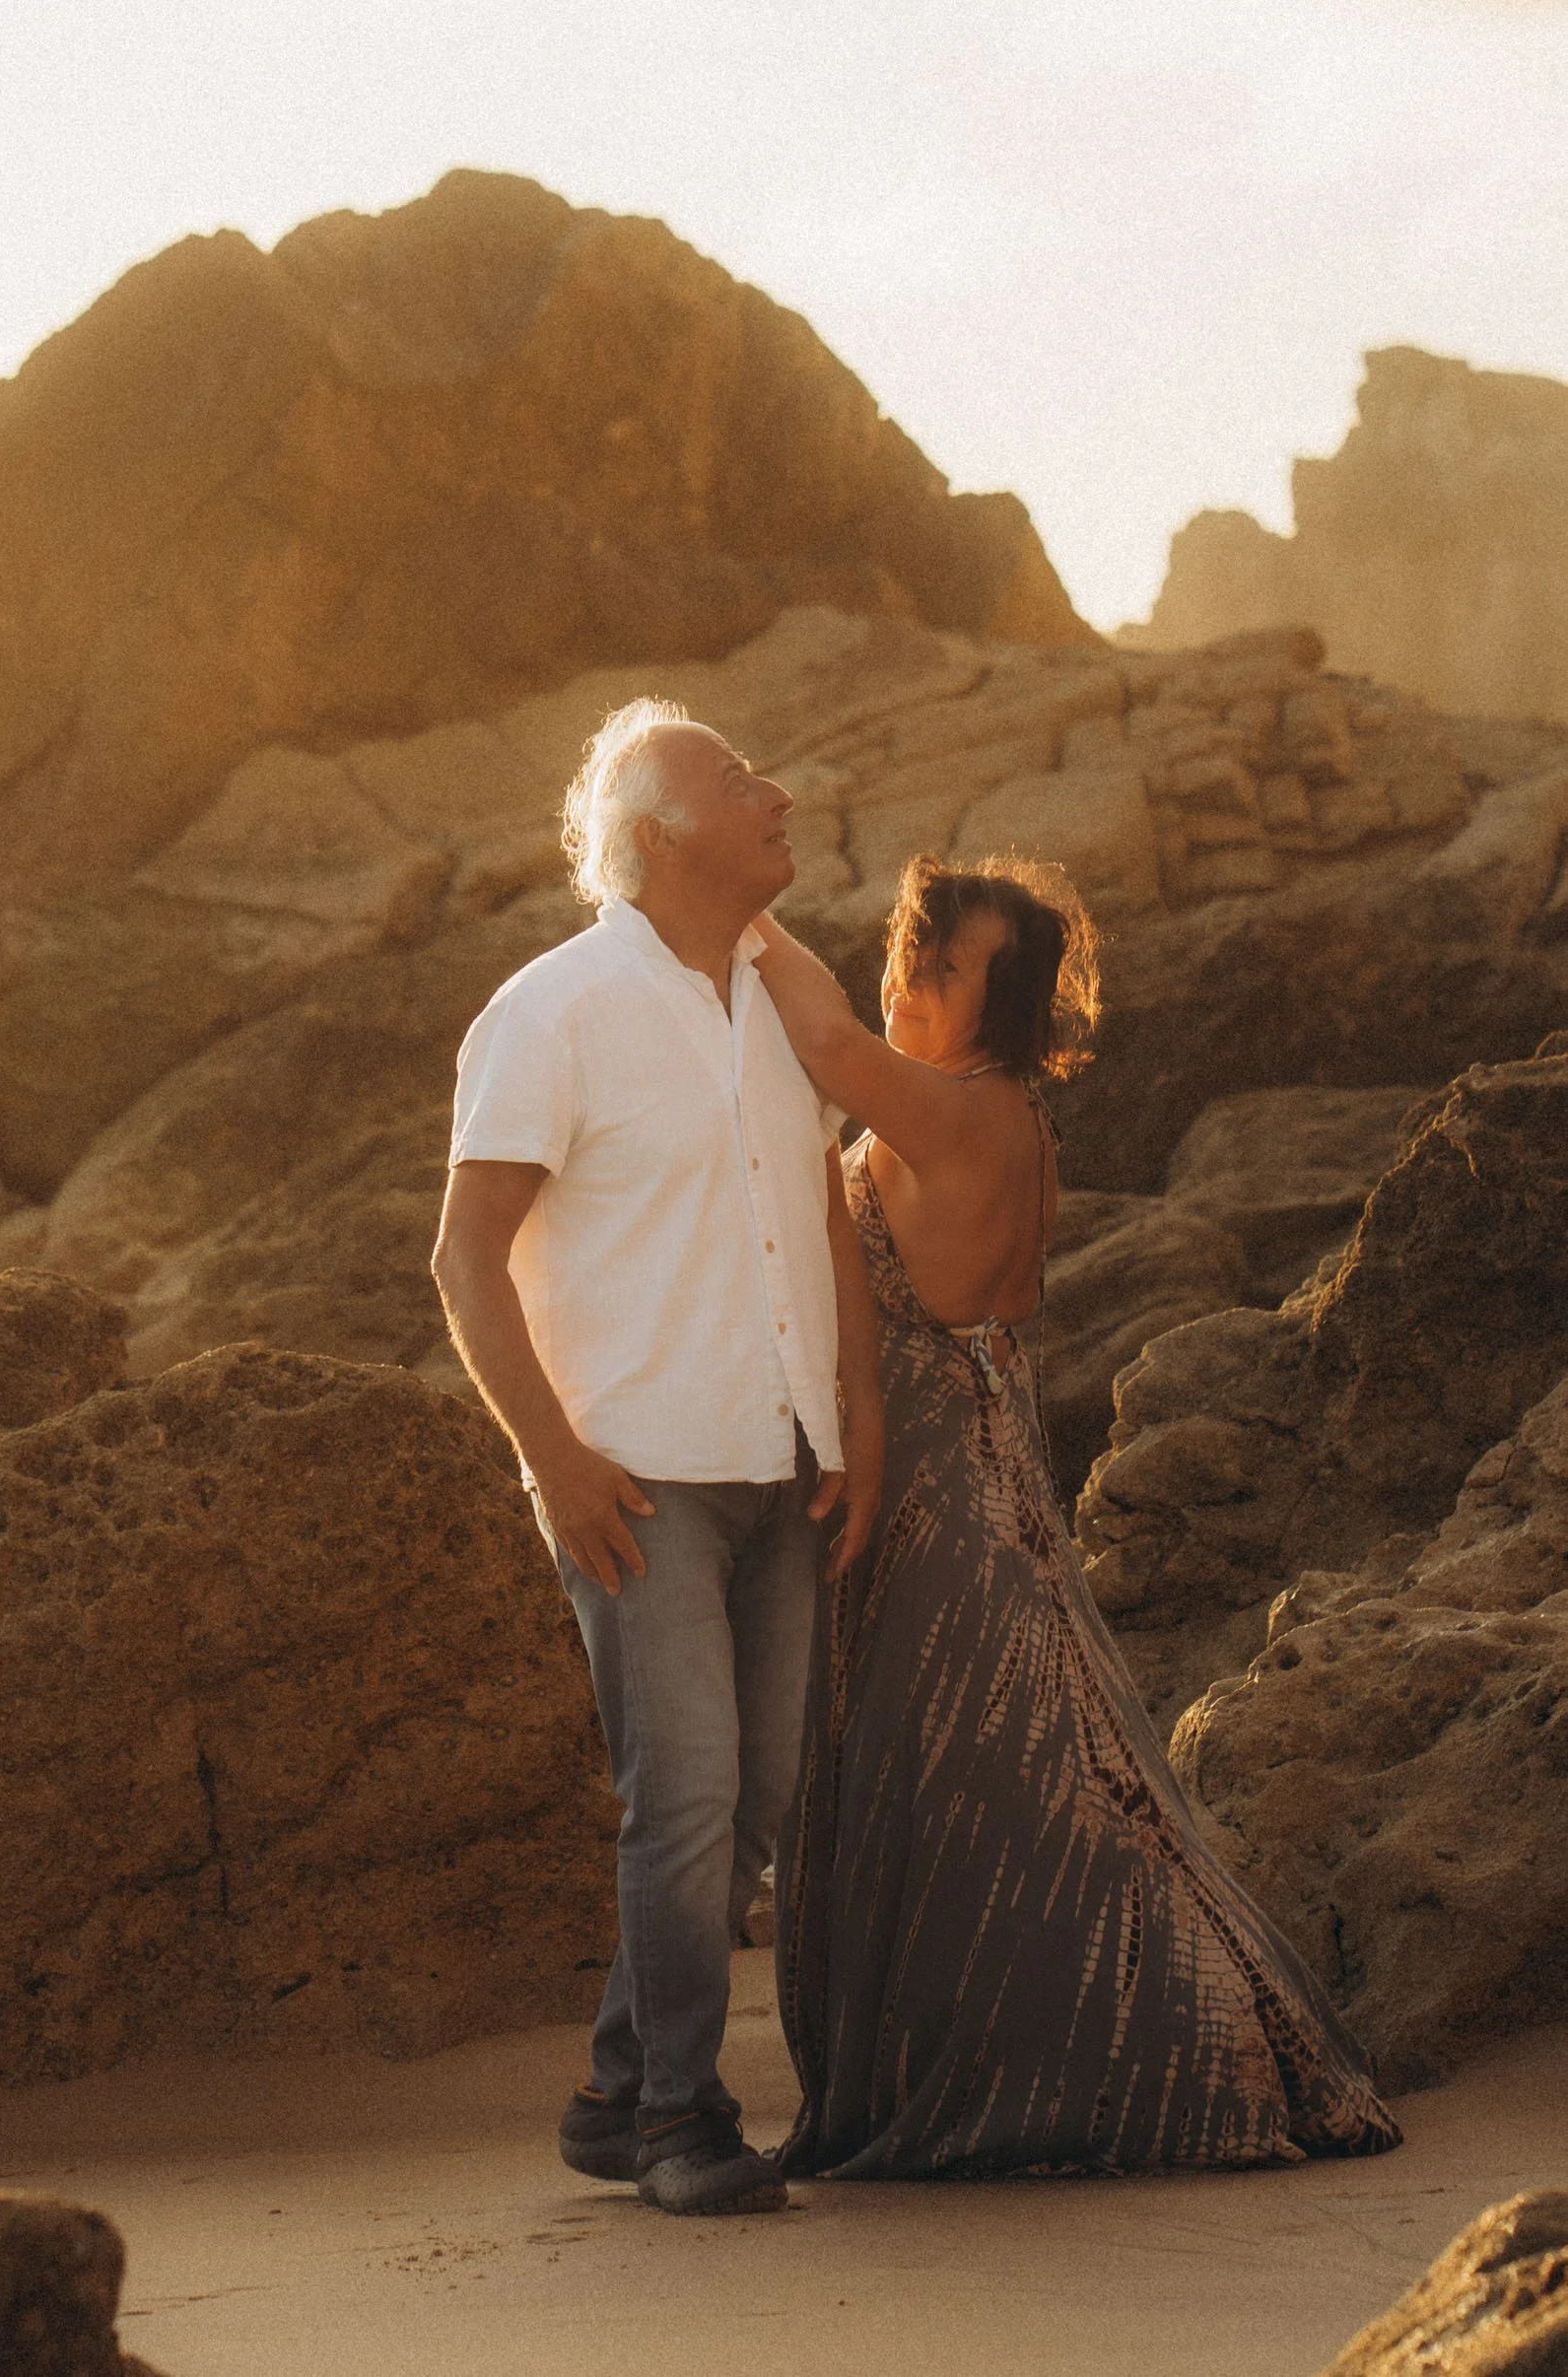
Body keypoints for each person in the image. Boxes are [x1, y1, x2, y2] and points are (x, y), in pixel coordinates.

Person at [753, 852, 1403, 2177]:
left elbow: (817, 1036)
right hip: (970, 1464)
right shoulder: (982, 1115)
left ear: (1005, 1002)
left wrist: (727, 903)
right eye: (912, 956)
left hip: (945, 1482)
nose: (909, 983)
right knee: (1010, 1774)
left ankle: (1142, 2067)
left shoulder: (966, 1113)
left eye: (946, 970)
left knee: (989, 1784)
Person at [431, 699, 883, 2217]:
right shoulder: (551, 1010)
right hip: (638, 1478)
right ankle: (683, 2121)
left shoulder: (775, 1000)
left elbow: (825, 1217)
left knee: (747, 1807)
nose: (781, 791)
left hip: (785, 1456)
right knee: (684, 1801)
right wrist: (550, 1461)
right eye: (740, 781)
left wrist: (855, 1419)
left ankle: (616, 2086)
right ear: (659, 835)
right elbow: (465, 1256)